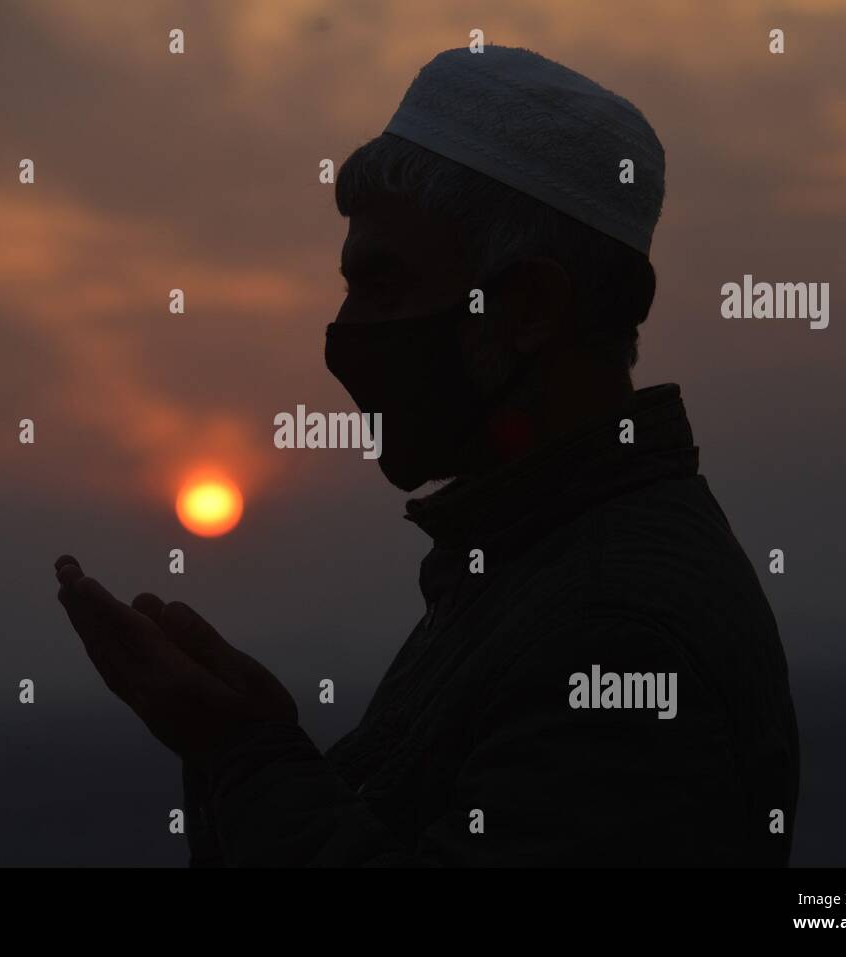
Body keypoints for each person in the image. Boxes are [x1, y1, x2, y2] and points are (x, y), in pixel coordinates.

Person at [54, 45, 799, 866]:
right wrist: (253, 742)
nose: (345, 341)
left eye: (382, 285)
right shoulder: (525, 563)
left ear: (529, 310)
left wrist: (241, 757)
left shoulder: (614, 632)